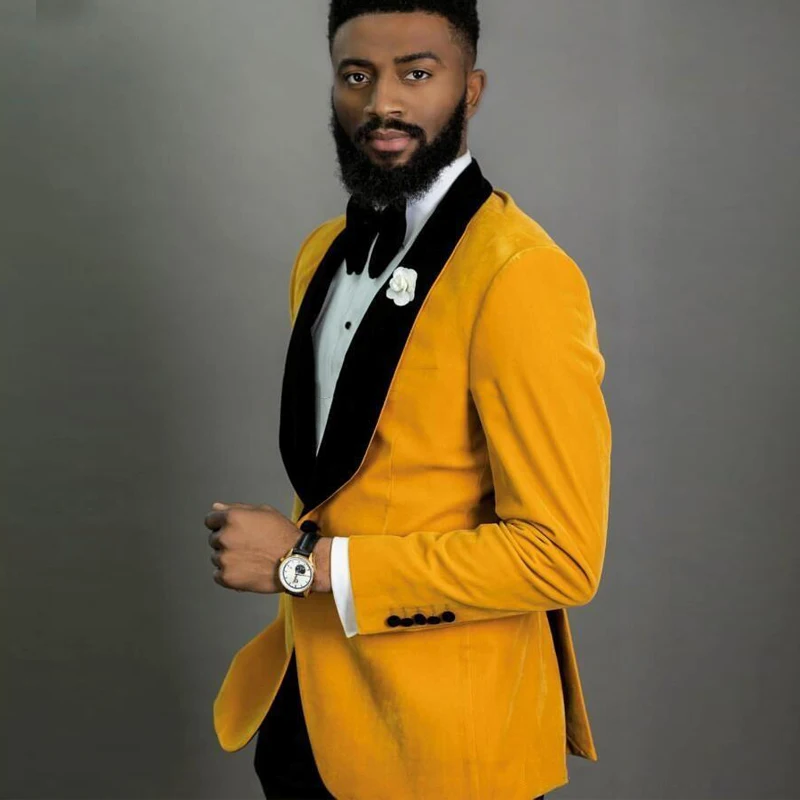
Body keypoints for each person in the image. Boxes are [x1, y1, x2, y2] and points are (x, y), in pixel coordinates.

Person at [204, 1, 612, 797]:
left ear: (471, 90)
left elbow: (558, 556)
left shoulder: (519, 275)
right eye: (357, 76)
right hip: (303, 713)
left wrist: (302, 565)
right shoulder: (322, 253)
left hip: (445, 749)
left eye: (416, 74)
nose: (381, 102)